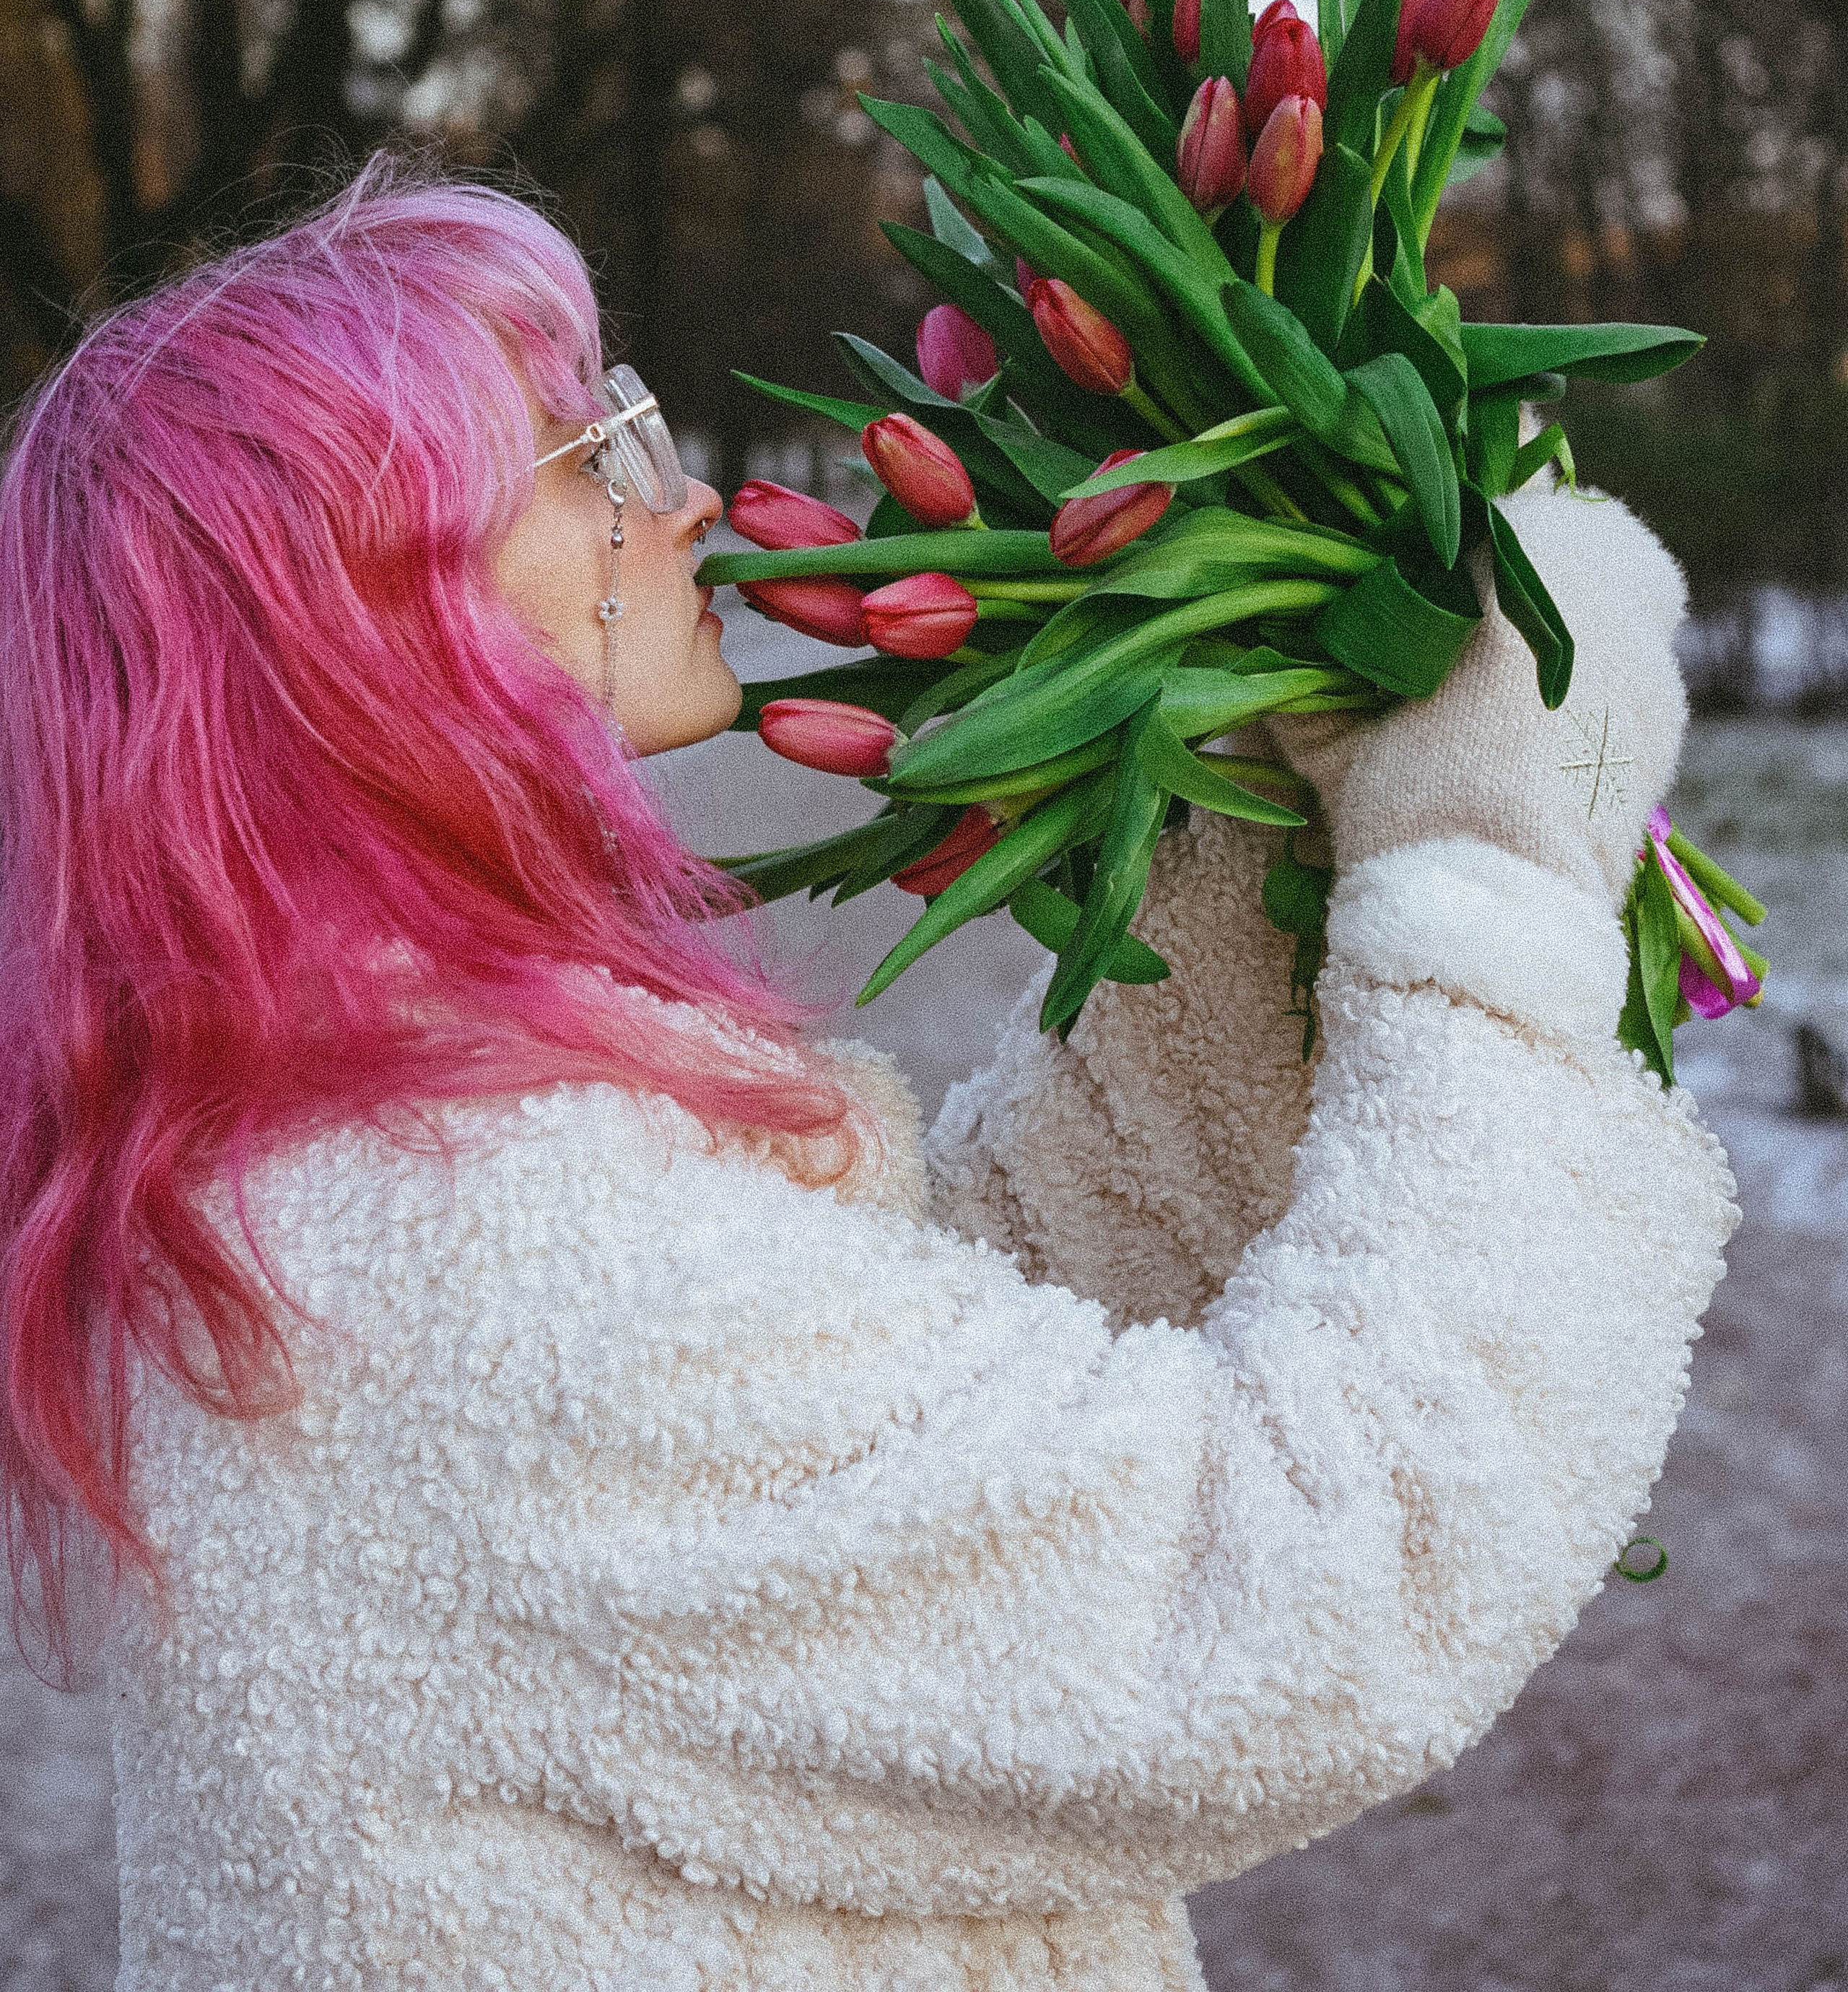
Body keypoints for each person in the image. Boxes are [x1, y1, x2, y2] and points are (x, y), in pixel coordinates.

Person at [0, 163, 1735, 1992]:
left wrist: (1236, 862)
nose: (672, 505)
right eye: (585, 457)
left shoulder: (350, 1149)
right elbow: (1294, 1585)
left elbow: (923, 1396)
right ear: (353, 624)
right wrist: (1492, 867)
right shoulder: (500, 1256)